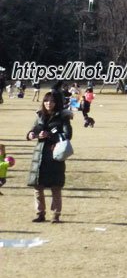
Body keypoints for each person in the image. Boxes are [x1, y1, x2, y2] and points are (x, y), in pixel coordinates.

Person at [26, 93, 72, 222]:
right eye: (46, 101)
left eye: (52, 101)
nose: (49, 103)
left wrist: (50, 136)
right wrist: (32, 134)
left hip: (55, 155)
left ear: (56, 103)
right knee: (37, 186)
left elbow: (67, 135)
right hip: (40, 154)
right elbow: (34, 130)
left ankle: (56, 215)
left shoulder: (63, 117)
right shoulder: (40, 116)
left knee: (55, 186)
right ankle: (40, 213)